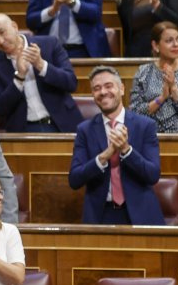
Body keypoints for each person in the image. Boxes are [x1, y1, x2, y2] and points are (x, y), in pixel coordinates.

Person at [70, 66, 164, 225]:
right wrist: (104, 156)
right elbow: (75, 179)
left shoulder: (145, 126)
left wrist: (127, 150)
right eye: (96, 88)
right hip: (100, 215)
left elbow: (153, 174)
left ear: (121, 89)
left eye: (108, 86)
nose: (103, 92)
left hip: (140, 214)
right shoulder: (85, 130)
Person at [0, 13, 83, 133]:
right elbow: (0, 109)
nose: (0, 41)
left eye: (2, 32)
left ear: (14, 27)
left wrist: (41, 65)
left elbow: (71, 83)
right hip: (25, 130)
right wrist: (19, 77)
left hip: (61, 122)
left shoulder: (49, 44)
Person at [128, 22, 178, 134]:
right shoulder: (143, 72)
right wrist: (161, 98)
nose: (176, 44)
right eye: (169, 41)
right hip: (150, 137)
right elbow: (135, 113)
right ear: (156, 46)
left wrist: (174, 89)